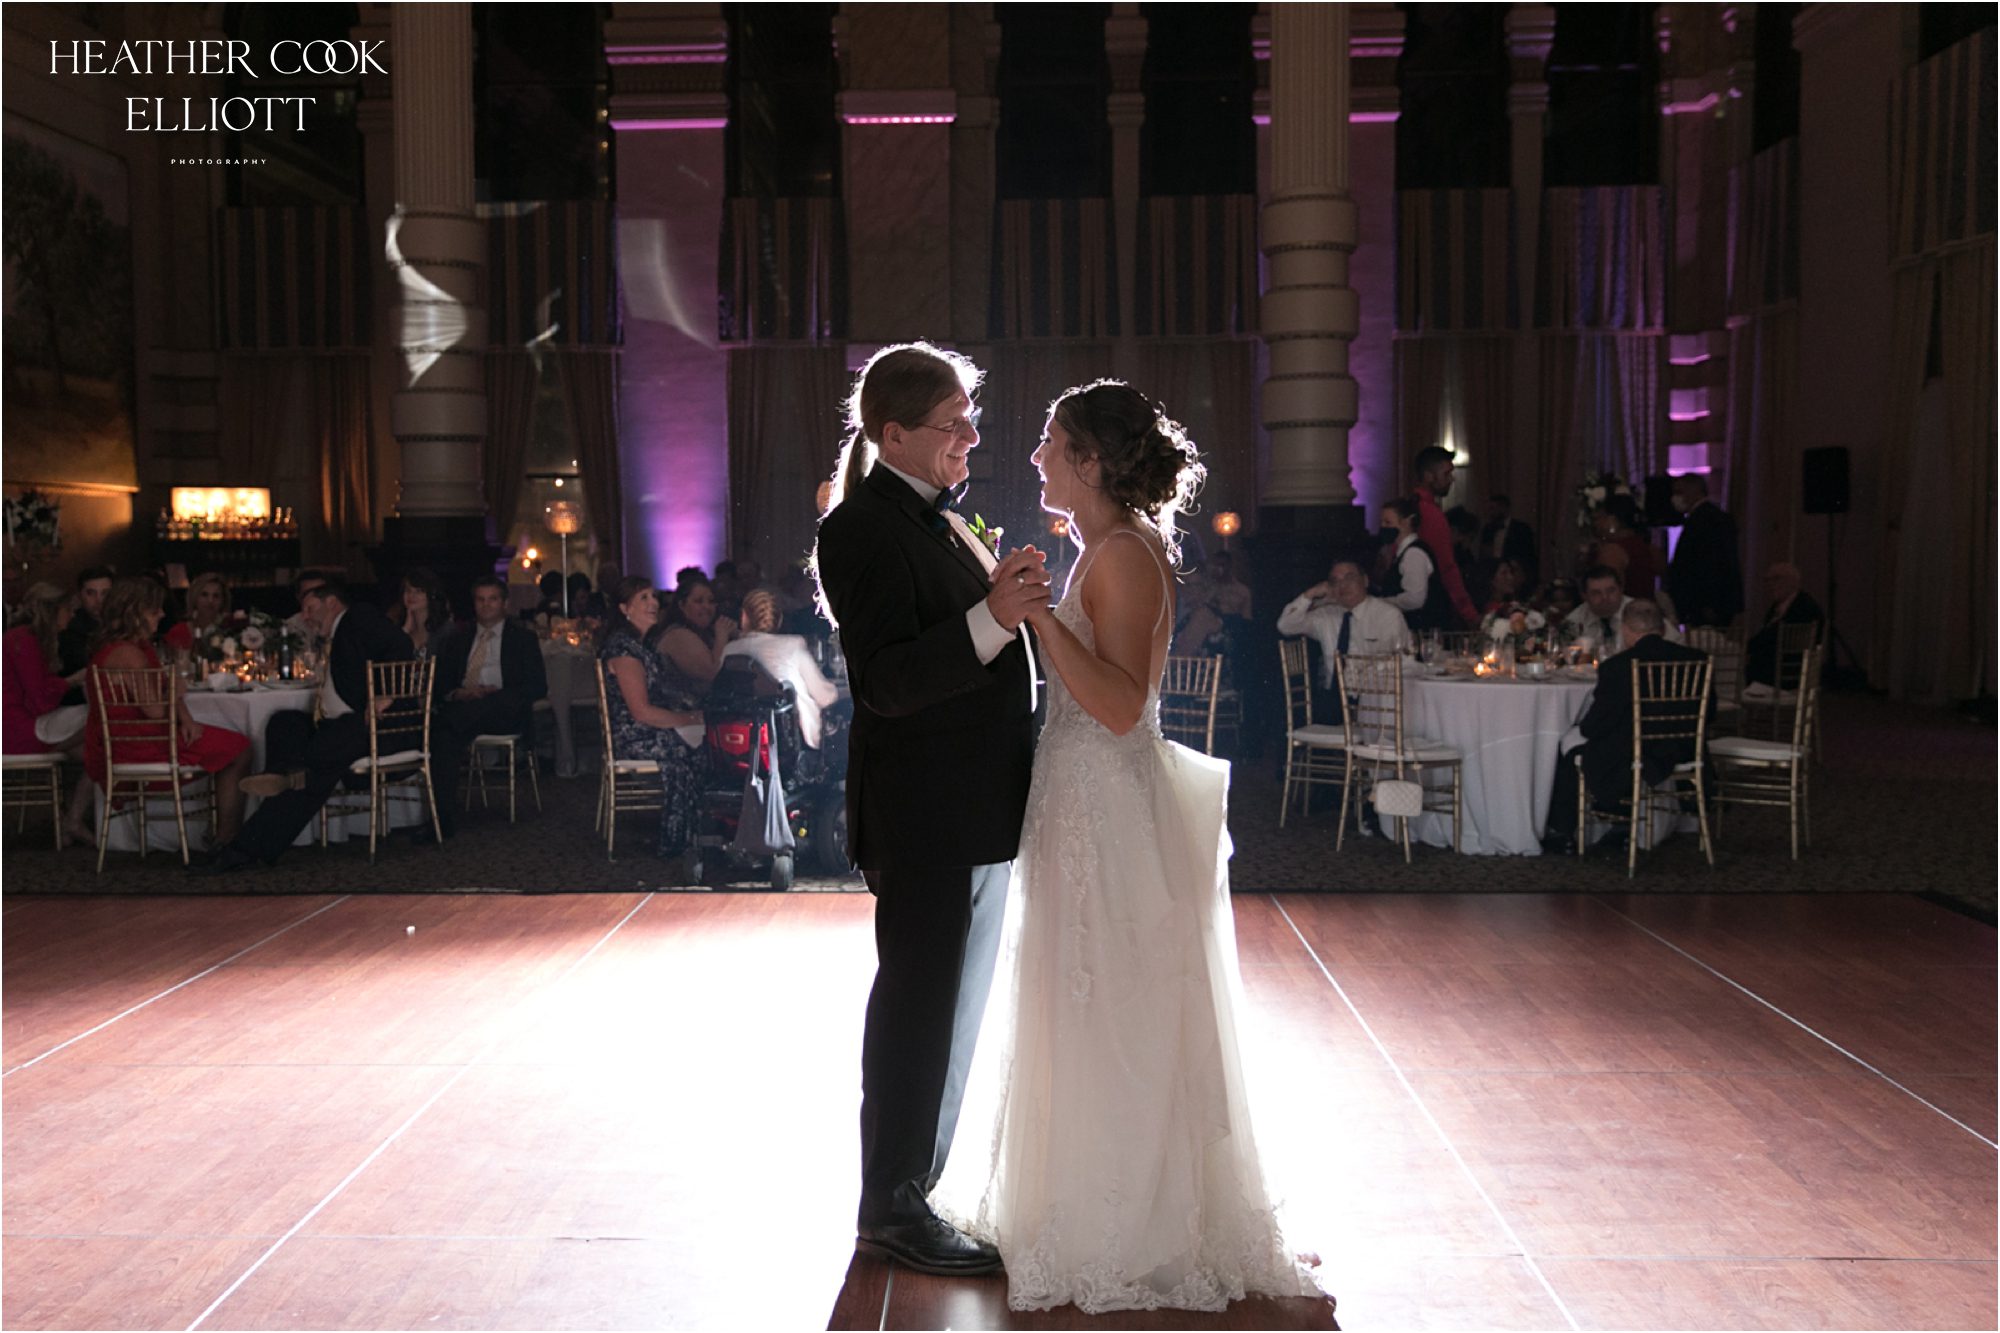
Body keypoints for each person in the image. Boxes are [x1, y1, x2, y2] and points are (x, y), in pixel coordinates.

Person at [932, 379, 1321, 1314]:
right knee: (1082, 996)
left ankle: (1122, 1224)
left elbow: (1120, 706)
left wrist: (1038, 618)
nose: (1036, 455)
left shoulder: (1124, 554)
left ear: (1091, 460)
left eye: (1050, 441)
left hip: (1105, 805)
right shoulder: (1103, 547)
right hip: (1079, 803)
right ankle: (1072, 1200)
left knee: (1111, 1004)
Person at [811, 341, 1049, 1278]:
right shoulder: (860, 528)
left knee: (954, 1009)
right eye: (954, 424)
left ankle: (923, 1187)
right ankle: (892, 1206)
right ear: (894, 433)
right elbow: (889, 681)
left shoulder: (937, 520)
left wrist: (1002, 605)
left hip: (972, 804)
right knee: (918, 1011)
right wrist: (994, 616)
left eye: (968, 420)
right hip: (925, 811)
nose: (972, 437)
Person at [192, 576, 412, 874]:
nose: (305, 617)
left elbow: (401, 644)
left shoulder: (357, 617)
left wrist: (387, 695)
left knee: (312, 768)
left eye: (310, 609)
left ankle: (245, 845)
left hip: (368, 726)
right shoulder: (335, 633)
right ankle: (282, 774)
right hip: (335, 725)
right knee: (285, 722)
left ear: (331, 603)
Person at [85, 577, 252, 848]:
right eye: (155, 610)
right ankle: (227, 840)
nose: (162, 614)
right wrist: (176, 690)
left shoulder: (132, 647)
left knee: (232, 746)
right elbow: (154, 710)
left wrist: (185, 717)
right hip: (141, 745)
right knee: (240, 749)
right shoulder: (130, 654)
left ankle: (225, 836)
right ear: (135, 613)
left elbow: (163, 688)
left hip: (138, 739)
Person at [1541, 599, 1709, 856]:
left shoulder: (1617, 666)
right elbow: (1710, 713)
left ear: (1626, 630)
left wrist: (1581, 727)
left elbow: (1597, 724)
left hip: (1633, 752)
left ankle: (1564, 830)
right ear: (1662, 628)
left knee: (1570, 744)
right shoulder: (1697, 660)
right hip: (1681, 749)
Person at [597, 576, 706, 870]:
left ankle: (694, 832)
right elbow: (641, 711)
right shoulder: (623, 650)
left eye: (653, 596)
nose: (653, 603)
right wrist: (689, 719)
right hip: (634, 736)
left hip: (646, 729)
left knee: (703, 739)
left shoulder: (641, 646)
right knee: (694, 747)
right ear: (624, 608)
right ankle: (680, 838)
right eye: (643, 598)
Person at [429, 575, 550, 833]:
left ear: (504, 603)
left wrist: (494, 694)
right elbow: (442, 684)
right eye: (480, 600)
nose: (486, 605)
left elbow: (538, 686)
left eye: (492, 599)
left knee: (447, 724)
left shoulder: (522, 639)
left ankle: (440, 818)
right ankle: (441, 817)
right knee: (446, 736)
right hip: (465, 709)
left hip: (504, 711)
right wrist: (460, 694)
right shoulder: (458, 640)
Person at [3, 582, 96, 846]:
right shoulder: (24, 640)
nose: (72, 615)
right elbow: (40, 699)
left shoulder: (24, 638)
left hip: (20, 724)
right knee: (102, 721)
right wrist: (73, 680)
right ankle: (73, 820)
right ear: (51, 610)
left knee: (97, 753)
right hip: (18, 729)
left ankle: (72, 820)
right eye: (68, 609)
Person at [1279, 558, 1411, 722]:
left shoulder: (1387, 615)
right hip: (1332, 700)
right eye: (1335, 581)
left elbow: (1401, 661)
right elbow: (1285, 625)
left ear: (1365, 581)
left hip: (1375, 701)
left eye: (1349, 578)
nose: (1343, 586)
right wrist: (1311, 594)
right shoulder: (1326, 615)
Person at [720, 589, 841, 750]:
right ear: (779, 620)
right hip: (792, 742)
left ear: (743, 617)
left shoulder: (730, 651)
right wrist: (837, 690)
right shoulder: (792, 646)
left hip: (744, 741)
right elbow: (824, 697)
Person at [1411, 447, 1479, 627]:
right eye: (1446, 474)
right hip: (1430, 604)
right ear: (1428, 476)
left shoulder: (1409, 507)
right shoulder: (1431, 514)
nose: (1451, 479)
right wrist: (1469, 613)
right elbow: (1446, 567)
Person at [1666, 474, 1743, 630]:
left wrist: (1710, 603)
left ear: (1695, 491)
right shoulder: (1707, 517)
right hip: (1707, 601)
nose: (1675, 498)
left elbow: (1714, 564)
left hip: (1706, 603)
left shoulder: (1707, 520)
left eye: (1680, 492)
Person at [1564, 564, 1682, 657]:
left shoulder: (1641, 611)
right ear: (1584, 596)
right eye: (1596, 593)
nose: (1605, 597)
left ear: (1621, 589)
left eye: (1611, 591)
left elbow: (1677, 643)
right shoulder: (1574, 620)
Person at [1374, 494, 1454, 632]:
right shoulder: (1402, 553)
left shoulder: (1414, 554)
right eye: (1382, 522)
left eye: (1388, 522)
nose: (1383, 527)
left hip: (1421, 629)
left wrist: (1379, 603)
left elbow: (1414, 599)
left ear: (1406, 522)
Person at [648, 576, 737, 699]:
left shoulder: (706, 633)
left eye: (711, 601)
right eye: (698, 601)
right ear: (682, 605)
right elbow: (712, 673)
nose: (707, 607)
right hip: (680, 708)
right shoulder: (678, 635)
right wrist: (722, 636)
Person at [1744, 562, 1826, 689]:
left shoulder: (1804, 607)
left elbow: (1775, 636)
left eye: (1776, 579)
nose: (1770, 584)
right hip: (1775, 665)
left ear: (1793, 581)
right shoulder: (1779, 606)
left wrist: (1746, 647)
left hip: (1789, 670)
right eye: (1767, 580)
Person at [1592, 497, 1659, 600]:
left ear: (1612, 521)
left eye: (1599, 518)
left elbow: (1607, 594)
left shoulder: (1613, 551)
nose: (1596, 524)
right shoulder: (1649, 547)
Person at [57, 565, 116, 679]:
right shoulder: (70, 628)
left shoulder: (121, 623)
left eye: (105, 593)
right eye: (91, 593)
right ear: (80, 595)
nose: (99, 600)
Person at [387, 568, 452, 660]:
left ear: (431, 595)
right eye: (408, 590)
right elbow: (390, 661)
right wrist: (405, 631)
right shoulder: (398, 627)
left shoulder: (445, 631)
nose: (411, 595)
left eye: (418, 591)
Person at [163, 572, 234, 655]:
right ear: (194, 598)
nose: (210, 601)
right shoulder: (178, 632)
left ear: (223, 601)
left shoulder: (230, 632)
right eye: (204, 595)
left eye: (216, 596)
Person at [1480, 493, 1538, 584]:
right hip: (1493, 575)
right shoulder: (1488, 529)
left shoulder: (1521, 529)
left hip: (1514, 575)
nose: (1490, 513)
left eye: (1493, 508)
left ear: (1504, 508)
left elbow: (1528, 556)